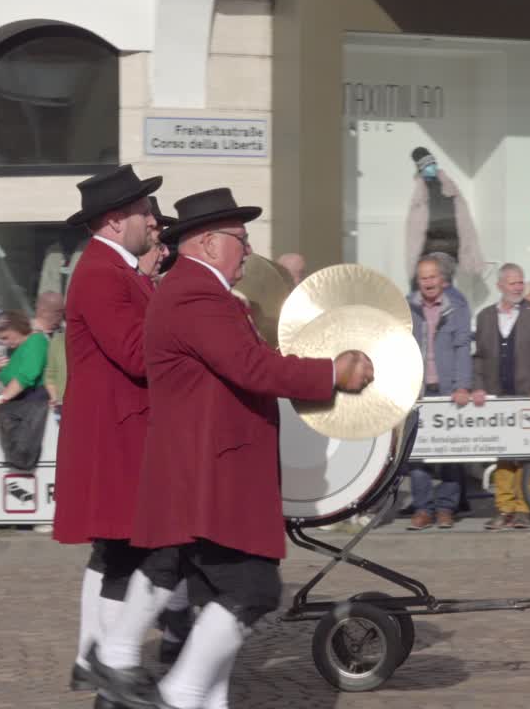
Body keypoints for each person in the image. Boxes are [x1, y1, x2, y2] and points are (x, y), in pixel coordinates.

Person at [99, 187, 372, 709]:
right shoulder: (198, 295)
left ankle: (185, 690)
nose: (248, 250)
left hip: (203, 469)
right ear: (206, 242)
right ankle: (180, 692)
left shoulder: (193, 291)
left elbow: (246, 362)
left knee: (210, 594)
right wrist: (333, 372)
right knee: (253, 590)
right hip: (212, 475)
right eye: (240, 239)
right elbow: (254, 368)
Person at [50, 165, 188, 696]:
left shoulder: (116, 268)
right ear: (114, 221)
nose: (152, 219)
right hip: (117, 433)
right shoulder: (102, 272)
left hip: (123, 429)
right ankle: (112, 660)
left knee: (120, 552)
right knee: (136, 551)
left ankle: (100, 659)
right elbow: (136, 352)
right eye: (143, 211)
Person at [471, 263, 530, 531]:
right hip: (497, 398)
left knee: (526, 453)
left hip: (527, 397)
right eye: (513, 283)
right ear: (500, 286)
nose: (519, 287)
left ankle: (524, 509)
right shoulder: (486, 316)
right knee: (502, 454)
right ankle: (504, 507)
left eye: (521, 282)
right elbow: (479, 358)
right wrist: (477, 386)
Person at [406, 254, 471, 531]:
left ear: (442, 280)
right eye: (423, 278)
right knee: (417, 454)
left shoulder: (456, 307)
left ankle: (446, 507)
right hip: (417, 390)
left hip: (447, 390)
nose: (428, 282)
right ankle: (423, 508)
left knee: (450, 452)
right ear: (418, 281)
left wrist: (463, 386)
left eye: (432, 276)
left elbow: (463, 348)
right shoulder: (407, 307)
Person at [0, 311, 50, 472]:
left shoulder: (36, 342)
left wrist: (0, 400)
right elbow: (10, 380)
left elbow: (25, 378)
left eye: (6, 337)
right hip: (18, 407)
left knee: (22, 454)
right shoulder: (15, 349)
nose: (5, 343)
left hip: (33, 405)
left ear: (17, 328)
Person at [405, 147, 484, 287]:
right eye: (428, 165)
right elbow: (415, 228)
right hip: (428, 249)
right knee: (425, 288)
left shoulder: (448, 186)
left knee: (444, 287)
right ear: (421, 168)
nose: (432, 167)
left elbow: (463, 219)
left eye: (433, 163)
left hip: (448, 248)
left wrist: (466, 250)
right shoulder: (420, 191)